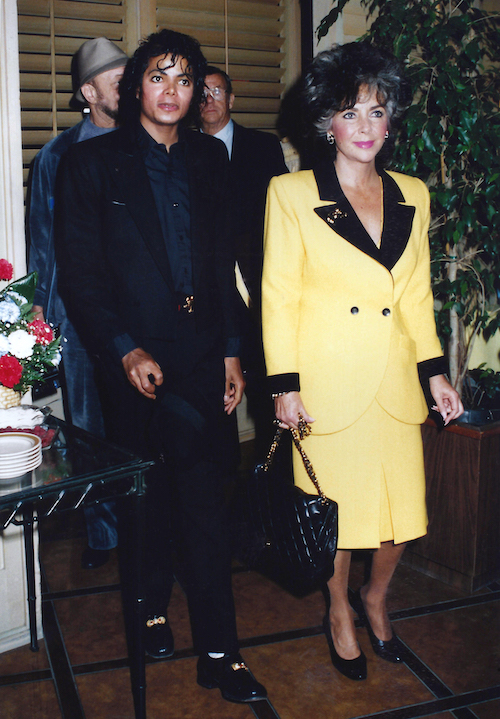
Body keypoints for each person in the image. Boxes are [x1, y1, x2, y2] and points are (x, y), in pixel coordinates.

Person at [54, 28, 266, 704]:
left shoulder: (210, 160)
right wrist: (123, 346)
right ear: (132, 86)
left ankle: (220, 651)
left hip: (204, 354)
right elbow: (81, 277)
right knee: (146, 502)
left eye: (184, 80)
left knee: (205, 500)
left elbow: (220, 265)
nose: (171, 92)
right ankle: (148, 606)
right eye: (157, 77)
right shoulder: (91, 164)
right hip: (134, 363)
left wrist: (233, 349)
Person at [261, 41, 463, 681]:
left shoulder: (413, 193)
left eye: (378, 112)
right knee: (335, 512)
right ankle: (338, 609)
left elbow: (415, 293)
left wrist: (436, 373)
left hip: (394, 379)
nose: (366, 127)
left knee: (400, 510)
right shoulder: (291, 194)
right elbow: (279, 296)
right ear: (326, 122)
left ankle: (376, 597)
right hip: (326, 382)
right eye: (351, 114)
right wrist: (283, 385)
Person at [26, 37, 128, 570]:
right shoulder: (56, 157)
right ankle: (104, 534)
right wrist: (42, 316)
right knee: (89, 431)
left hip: (142, 319)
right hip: (78, 321)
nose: (131, 89)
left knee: (147, 429)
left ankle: (153, 532)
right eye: (118, 81)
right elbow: (42, 244)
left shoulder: (150, 143)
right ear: (89, 92)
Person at [200, 66, 288, 454]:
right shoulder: (184, 150)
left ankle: (273, 475)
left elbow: (283, 210)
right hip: (213, 285)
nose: (209, 99)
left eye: (217, 91)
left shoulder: (262, 147)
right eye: (201, 92)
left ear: (231, 100)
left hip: (259, 280)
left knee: (268, 380)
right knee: (219, 387)